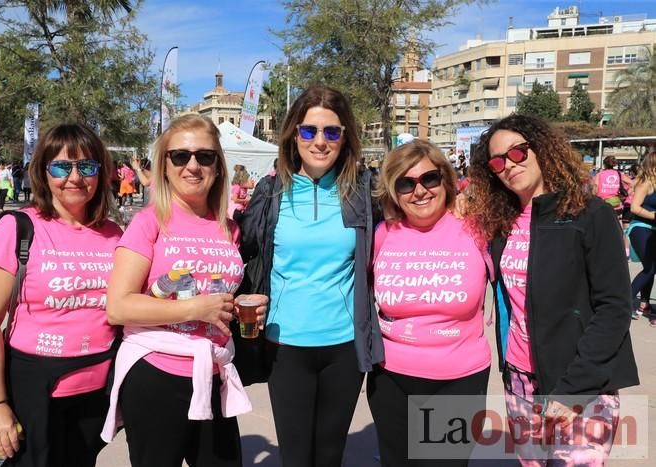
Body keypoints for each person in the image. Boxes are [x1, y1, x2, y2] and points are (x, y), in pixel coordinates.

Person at [467, 114, 639, 465]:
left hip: (578, 380)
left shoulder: (589, 215)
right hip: (519, 380)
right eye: (497, 163)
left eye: (518, 152)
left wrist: (576, 387)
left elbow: (614, 307)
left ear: (541, 148)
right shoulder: (502, 224)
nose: (509, 166)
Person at [102, 114, 266, 467]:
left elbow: (216, 294)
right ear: (164, 165)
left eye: (204, 156)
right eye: (180, 156)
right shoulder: (149, 222)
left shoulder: (229, 228)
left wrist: (239, 307)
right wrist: (195, 310)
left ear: (218, 167)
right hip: (155, 375)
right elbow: (118, 306)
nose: (193, 165)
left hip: (213, 371)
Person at [239, 85, 384, 467]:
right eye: (309, 131)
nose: (320, 141)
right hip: (285, 346)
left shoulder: (363, 192)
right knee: (296, 456)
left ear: (345, 137)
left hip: (344, 346)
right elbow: (238, 247)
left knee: (330, 454)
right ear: (293, 135)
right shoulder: (270, 193)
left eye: (332, 132)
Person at [0, 123, 121, 466]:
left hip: (95, 390)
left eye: (86, 166)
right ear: (43, 171)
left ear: (100, 173)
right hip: (32, 389)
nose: (75, 177)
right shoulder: (17, 228)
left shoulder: (114, 234)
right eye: (61, 166)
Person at [367, 140, 490, 466]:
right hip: (390, 378)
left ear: (446, 180)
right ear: (394, 191)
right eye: (406, 183)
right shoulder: (381, 234)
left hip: (458, 380)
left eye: (429, 179)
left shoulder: (477, 228)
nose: (419, 191)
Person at [628, 152, 656, 325]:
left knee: (651, 267)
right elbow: (634, 208)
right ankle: (626, 301)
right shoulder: (646, 183)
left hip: (652, 229)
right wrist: (653, 216)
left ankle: (644, 303)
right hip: (640, 228)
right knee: (651, 267)